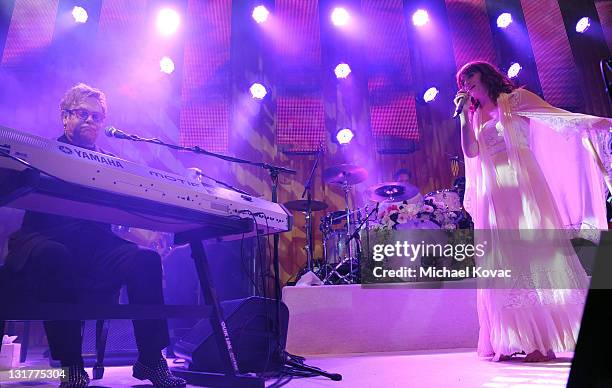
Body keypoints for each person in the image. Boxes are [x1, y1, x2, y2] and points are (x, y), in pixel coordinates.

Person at [3, 84, 186, 387]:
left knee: (146, 261)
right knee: (55, 255)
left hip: (94, 244)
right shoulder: (42, 152)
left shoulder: (107, 162)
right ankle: (72, 366)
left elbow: (122, 212)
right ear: (65, 118)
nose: (90, 120)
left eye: (97, 116)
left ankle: (151, 359)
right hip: (44, 237)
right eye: (82, 114)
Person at [455, 61, 610, 362]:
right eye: (462, 82)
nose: (465, 84)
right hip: (495, 195)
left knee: (536, 257)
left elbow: (557, 119)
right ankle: (524, 341)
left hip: (525, 188)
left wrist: (597, 123)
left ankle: (544, 341)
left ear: (484, 75)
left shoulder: (517, 100)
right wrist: (462, 116)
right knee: (507, 264)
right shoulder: (474, 115)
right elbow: (471, 152)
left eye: (469, 77)